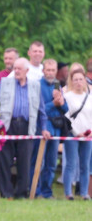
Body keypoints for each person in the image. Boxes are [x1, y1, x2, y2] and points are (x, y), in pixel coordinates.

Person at [0, 57, 49, 199]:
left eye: (19, 69)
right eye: (15, 68)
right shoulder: (5, 83)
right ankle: (6, 193)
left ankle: (21, 193)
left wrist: (43, 128)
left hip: (27, 126)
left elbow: (41, 110)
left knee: (25, 162)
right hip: (7, 126)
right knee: (4, 160)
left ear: (27, 70)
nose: (16, 71)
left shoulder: (35, 86)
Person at [36, 58, 67, 199]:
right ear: (43, 71)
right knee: (39, 162)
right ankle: (36, 191)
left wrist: (61, 101)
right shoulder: (37, 85)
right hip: (43, 128)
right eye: (48, 70)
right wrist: (53, 103)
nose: (50, 73)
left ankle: (47, 192)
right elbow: (38, 109)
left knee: (52, 163)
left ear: (56, 71)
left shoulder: (57, 85)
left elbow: (66, 109)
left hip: (56, 129)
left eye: (53, 70)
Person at [61, 68, 92, 199]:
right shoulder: (67, 97)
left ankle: (84, 193)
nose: (78, 82)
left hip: (88, 135)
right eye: (75, 80)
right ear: (71, 82)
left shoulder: (90, 97)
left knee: (85, 165)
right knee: (71, 164)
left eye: (81, 79)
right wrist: (76, 132)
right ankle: (68, 193)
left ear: (85, 80)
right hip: (72, 134)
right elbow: (66, 118)